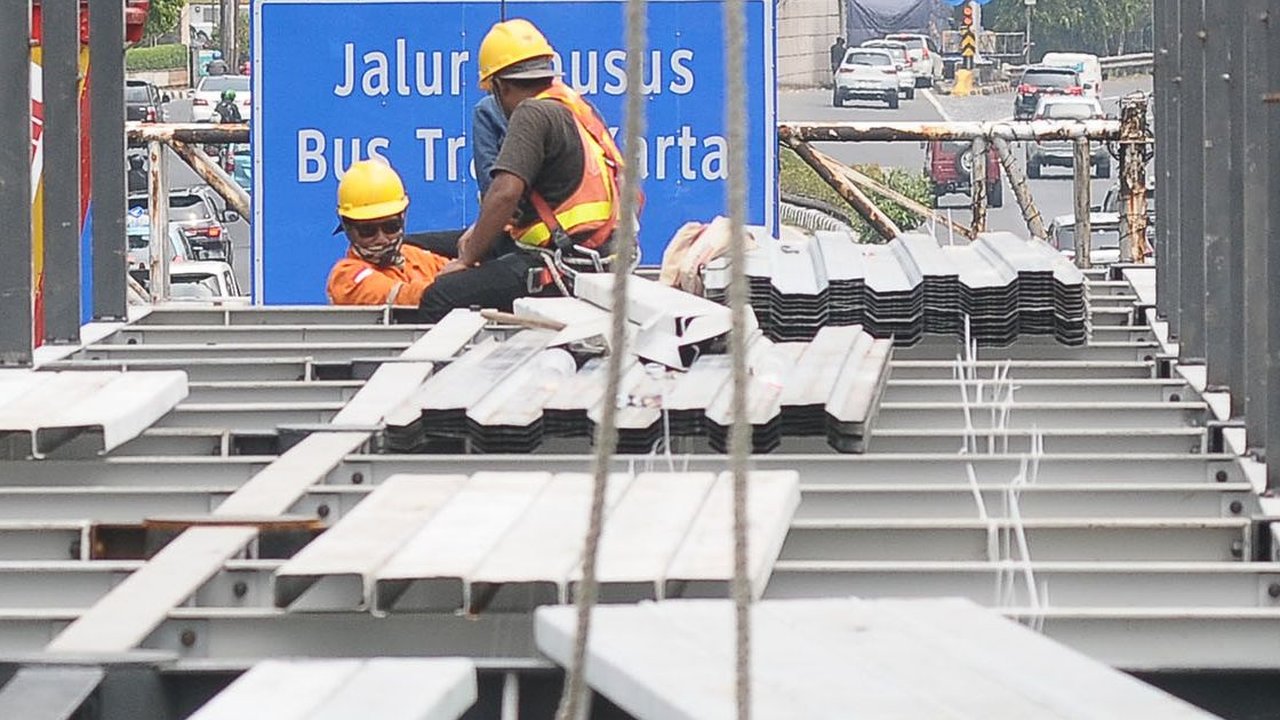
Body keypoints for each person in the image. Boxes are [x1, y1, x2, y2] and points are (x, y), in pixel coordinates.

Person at [413, 18, 631, 323]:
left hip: (559, 264)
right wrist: (477, 237)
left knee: (439, 296)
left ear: (500, 86)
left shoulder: (530, 112)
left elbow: (505, 193)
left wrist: (467, 258)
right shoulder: (573, 107)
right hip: (583, 251)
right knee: (418, 245)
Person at [326, 159, 449, 306]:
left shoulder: (418, 258)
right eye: (368, 231)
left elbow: (462, 277)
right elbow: (404, 297)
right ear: (348, 228)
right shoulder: (346, 278)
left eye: (391, 227)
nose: (381, 238)